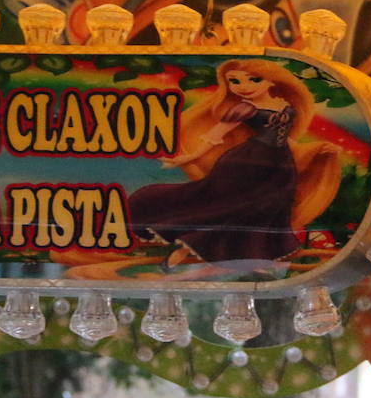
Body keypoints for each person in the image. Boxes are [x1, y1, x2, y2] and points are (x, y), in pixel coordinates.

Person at [129, 57, 341, 264]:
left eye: (253, 80)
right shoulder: (244, 108)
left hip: (280, 165)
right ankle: (185, 249)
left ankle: (253, 255)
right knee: (232, 208)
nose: (243, 87)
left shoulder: (284, 105)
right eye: (234, 81)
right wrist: (192, 156)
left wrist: (319, 148)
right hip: (246, 163)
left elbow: (286, 139)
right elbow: (216, 134)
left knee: (272, 207)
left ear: (271, 80)